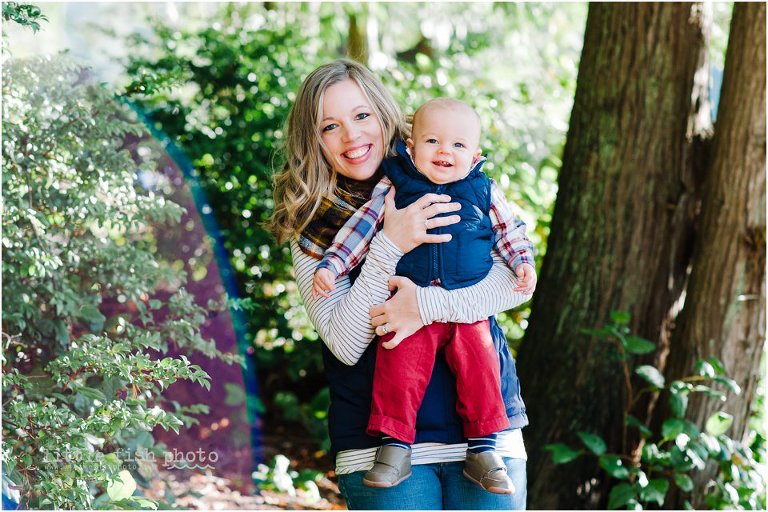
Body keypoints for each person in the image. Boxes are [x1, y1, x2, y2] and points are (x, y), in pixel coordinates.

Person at [269, 59, 534, 510]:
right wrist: (389, 243)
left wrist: (425, 305)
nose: (352, 136)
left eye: (361, 116)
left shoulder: (455, 178)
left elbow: (514, 283)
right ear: (313, 141)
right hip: (379, 449)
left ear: (384, 114)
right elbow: (346, 343)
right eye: (330, 126)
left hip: (485, 437)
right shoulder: (313, 227)